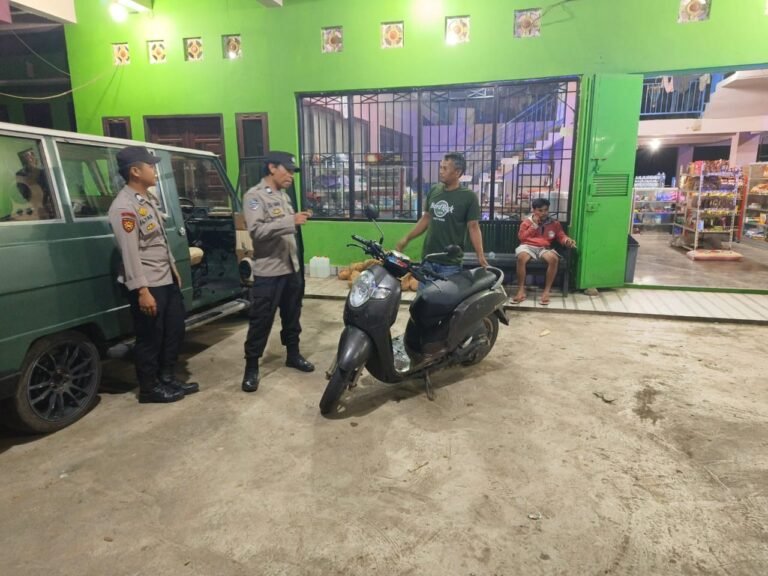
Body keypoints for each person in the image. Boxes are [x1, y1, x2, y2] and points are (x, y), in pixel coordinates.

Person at [108, 146, 199, 403]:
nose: (155, 170)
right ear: (135, 171)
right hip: (148, 284)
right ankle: (149, 389)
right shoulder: (124, 207)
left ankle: (166, 377)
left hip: (165, 278)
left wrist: (173, 269)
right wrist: (142, 291)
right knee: (150, 337)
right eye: (150, 166)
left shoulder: (147, 200)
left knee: (174, 330)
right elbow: (130, 253)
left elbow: (159, 241)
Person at [240, 151, 314, 393]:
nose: (291, 175)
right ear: (272, 167)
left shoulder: (283, 196)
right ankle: (252, 367)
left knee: (292, 316)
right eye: (287, 170)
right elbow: (256, 231)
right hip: (269, 272)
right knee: (261, 320)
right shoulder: (254, 196)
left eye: (293, 171)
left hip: (291, 268)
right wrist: (290, 221)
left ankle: (293, 354)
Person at [395, 153, 488, 285]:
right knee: (424, 296)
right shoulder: (434, 190)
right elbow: (426, 219)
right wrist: (407, 238)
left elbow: (473, 227)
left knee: (444, 298)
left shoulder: (469, 197)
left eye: (445, 168)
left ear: (457, 172)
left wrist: (480, 255)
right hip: (428, 259)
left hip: (450, 264)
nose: (441, 171)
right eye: (440, 167)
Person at [512, 197, 576, 305]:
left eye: (546, 210)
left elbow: (561, 236)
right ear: (534, 210)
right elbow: (522, 237)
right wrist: (534, 226)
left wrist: (567, 241)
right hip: (527, 246)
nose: (543, 213)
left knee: (553, 259)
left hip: (544, 248)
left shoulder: (554, 223)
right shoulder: (527, 222)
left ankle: (546, 292)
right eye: (540, 210)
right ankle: (521, 290)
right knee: (521, 258)